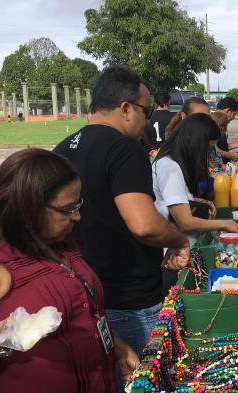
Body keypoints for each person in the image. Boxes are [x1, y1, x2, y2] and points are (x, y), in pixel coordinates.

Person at [0, 149, 138, 393]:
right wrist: (1, 341)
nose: (77, 216)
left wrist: (120, 349)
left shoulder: (60, 245)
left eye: (77, 204)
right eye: (67, 209)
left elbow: (87, 311)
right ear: (27, 208)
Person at [53, 66, 190, 371]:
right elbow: (143, 225)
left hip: (85, 297)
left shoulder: (62, 148)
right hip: (129, 300)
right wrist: (178, 240)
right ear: (126, 108)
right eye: (146, 110)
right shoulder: (125, 149)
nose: (148, 118)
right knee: (139, 391)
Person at [152, 113, 238, 292]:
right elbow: (185, 221)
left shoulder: (172, 163)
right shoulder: (169, 167)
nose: (207, 154)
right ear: (195, 143)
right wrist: (225, 223)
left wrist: (196, 201)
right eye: (207, 148)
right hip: (175, 257)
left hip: (182, 251)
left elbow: (172, 200)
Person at [215, 96, 238, 162]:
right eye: (234, 114)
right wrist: (229, 155)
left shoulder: (221, 125)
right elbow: (209, 149)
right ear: (228, 111)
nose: (234, 117)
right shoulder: (211, 124)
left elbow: (221, 147)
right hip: (215, 169)